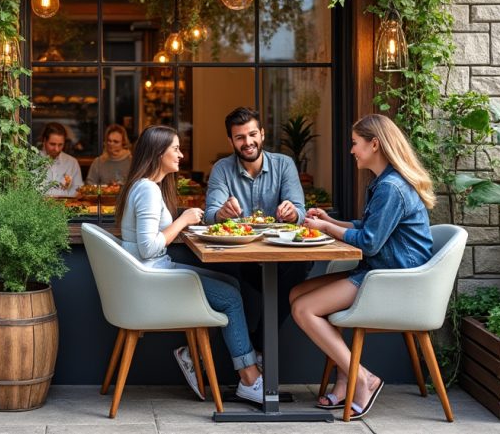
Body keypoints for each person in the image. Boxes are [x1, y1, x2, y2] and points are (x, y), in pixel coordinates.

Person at [290, 114, 436, 419]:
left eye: (355, 143)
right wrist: (331, 221)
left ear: (375, 144)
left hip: (392, 279)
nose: (352, 150)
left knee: (303, 309)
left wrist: (326, 228)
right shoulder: (385, 183)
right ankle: (345, 377)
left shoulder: (391, 187)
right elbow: (369, 228)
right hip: (380, 270)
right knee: (297, 294)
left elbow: (369, 243)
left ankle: (362, 378)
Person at [115, 125, 263, 403]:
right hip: (151, 280)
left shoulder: (145, 186)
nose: (181, 155)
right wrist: (183, 220)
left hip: (150, 275)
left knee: (230, 283)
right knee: (231, 297)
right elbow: (148, 248)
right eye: (175, 149)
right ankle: (249, 378)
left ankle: (194, 356)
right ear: (158, 153)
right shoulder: (147, 190)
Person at [204, 107, 309, 350]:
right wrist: (222, 214)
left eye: (252, 134)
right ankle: (258, 351)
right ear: (231, 141)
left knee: (301, 265)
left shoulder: (284, 164)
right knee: (283, 290)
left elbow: (300, 212)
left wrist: (292, 213)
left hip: (279, 254)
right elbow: (210, 216)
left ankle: (256, 347)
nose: (248, 142)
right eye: (240, 137)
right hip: (241, 257)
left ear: (262, 134)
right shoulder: (222, 169)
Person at [40, 122, 83, 198]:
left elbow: (79, 190)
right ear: (44, 140)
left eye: (60, 145)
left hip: (66, 204)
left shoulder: (72, 163)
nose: (56, 149)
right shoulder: (33, 161)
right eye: (52, 144)